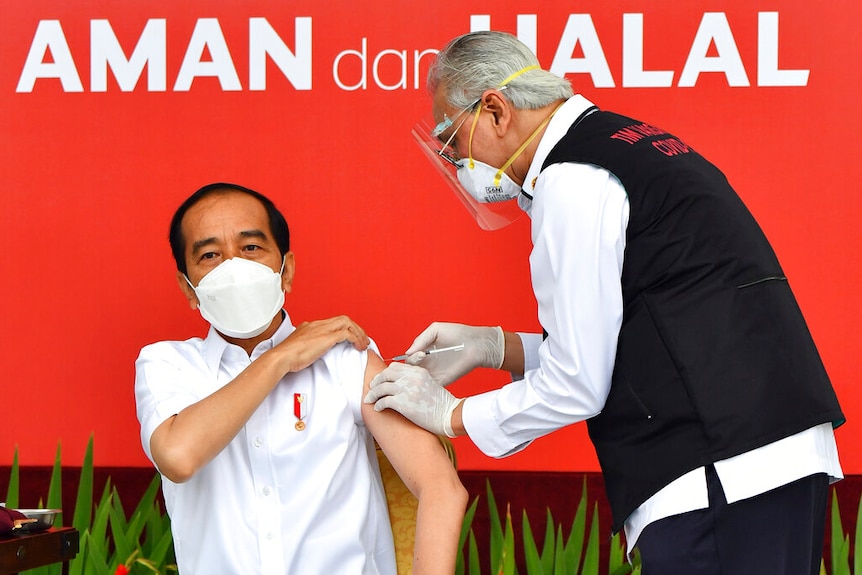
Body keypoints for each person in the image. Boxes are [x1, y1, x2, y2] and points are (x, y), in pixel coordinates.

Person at [365, 31, 845, 574]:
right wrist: (495, 349)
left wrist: (453, 414)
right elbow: (640, 340)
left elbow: (579, 383)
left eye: (453, 141)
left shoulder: (572, 179)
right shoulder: (628, 144)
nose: (456, 164)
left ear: (496, 111)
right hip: (763, 457)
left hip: (717, 474)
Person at [135, 182, 467, 574]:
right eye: (210, 254)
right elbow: (178, 457)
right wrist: (279, 358)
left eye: (251, 248)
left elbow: (440, 487)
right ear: (188, 289)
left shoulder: (345, 358)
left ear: (285, 270)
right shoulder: (168, 364)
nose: (232, 266)